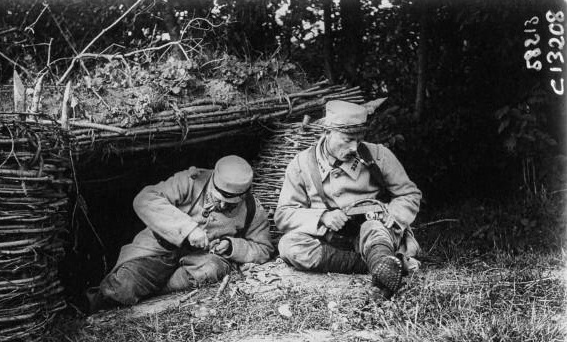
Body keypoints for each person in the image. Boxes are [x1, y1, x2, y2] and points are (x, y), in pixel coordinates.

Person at [87, 155, 273, 313]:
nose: (223, 206)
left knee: (211, 270)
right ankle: (89, 310)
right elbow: (145, 199)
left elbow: (263, 248)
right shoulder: (191, 181)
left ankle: (155, 293)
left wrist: (231, 245)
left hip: (200, 260)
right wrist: (188, 229)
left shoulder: (252, 209)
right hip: (159, 250)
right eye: (219, 198)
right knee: (124, 286)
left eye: (231, 204)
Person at [274, 100, 422, 296]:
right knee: (289, 245)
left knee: (374, 229)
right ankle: (378, 264)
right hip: (331, 239)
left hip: (374, 232)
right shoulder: (301, 165)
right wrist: (322, 217)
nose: (354, 147)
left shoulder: (378, 156)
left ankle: (380, 259)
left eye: (359, 140)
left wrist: (393, 215)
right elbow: (284, 214)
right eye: (348, 139)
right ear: (327, 132)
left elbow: (409, 194)